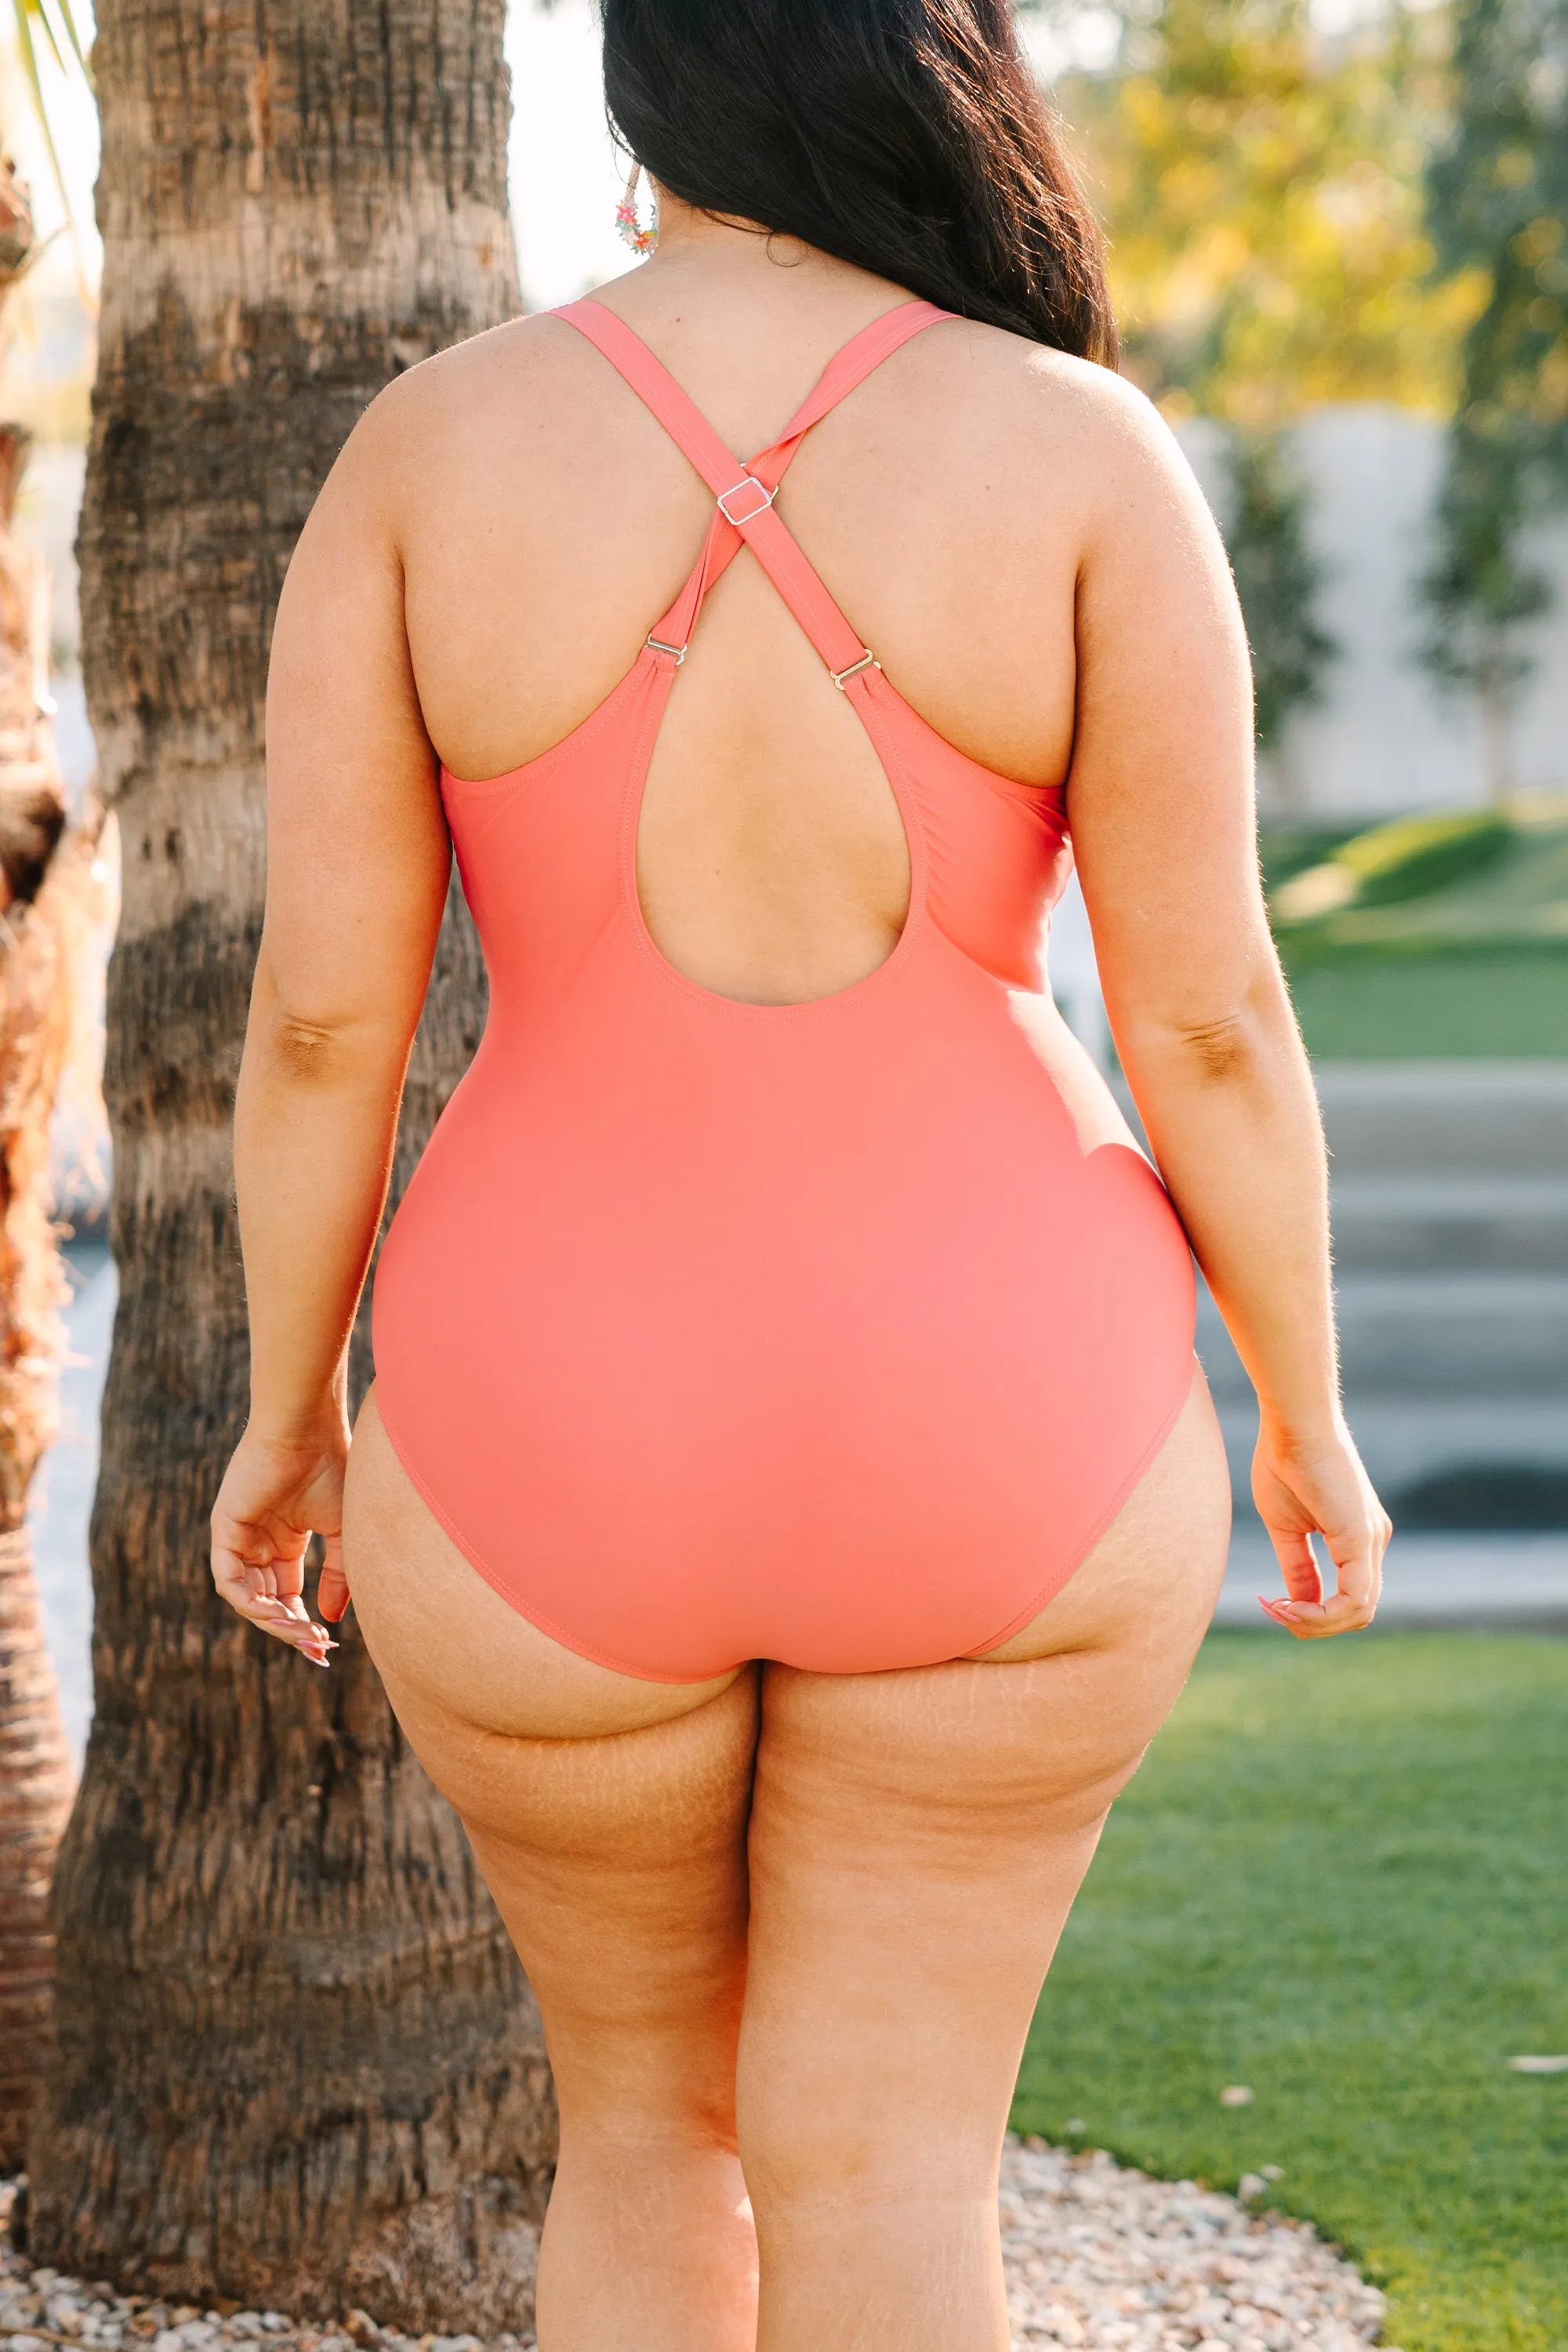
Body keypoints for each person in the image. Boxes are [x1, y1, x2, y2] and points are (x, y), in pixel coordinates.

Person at [210, 2, 1390, 2343]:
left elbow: (328, 1018)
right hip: (1003, 1417)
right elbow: (1212, 1023)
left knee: (648, 2141)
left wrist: (286, 1418)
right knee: (894, 2178)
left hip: (554, 1420)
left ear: (649, 92)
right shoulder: (1077, 452)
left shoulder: (433, 451)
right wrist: (1306, 1411)